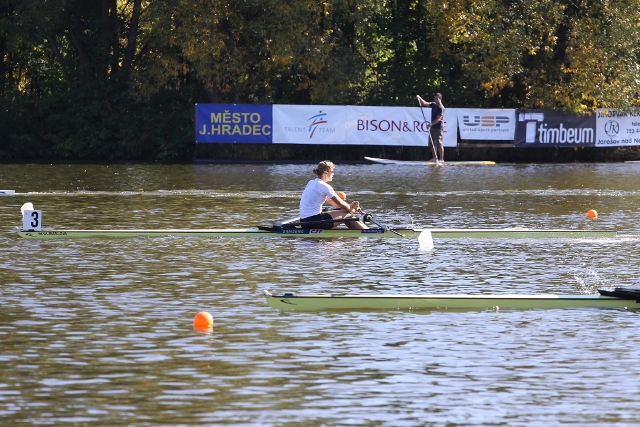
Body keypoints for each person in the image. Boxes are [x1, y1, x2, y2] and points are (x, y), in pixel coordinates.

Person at [299, 161, 368, 229]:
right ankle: (366, 232)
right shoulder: (324, 186)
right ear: (325, 172)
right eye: (332, 171)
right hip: (314, 222)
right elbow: (341, 204)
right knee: (348, 214)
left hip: (304, 222)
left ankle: (358, 233)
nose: (333, 174)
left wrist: (349, 206)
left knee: (345, 211)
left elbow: (332, 202)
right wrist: (351, 210)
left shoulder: (311, 182)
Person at [416, 93, 445, 164]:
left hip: (438, 128)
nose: (435, 100)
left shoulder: (441, 108)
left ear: (440, 99)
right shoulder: (433, 104)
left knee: (439, 144)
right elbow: (425, 103)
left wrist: (431, 124)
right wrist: (419, 98)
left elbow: (439, 118)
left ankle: (441, 159)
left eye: (437, 98)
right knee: (432, 143)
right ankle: (434, 158)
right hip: (433, 127)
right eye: (434, 98)